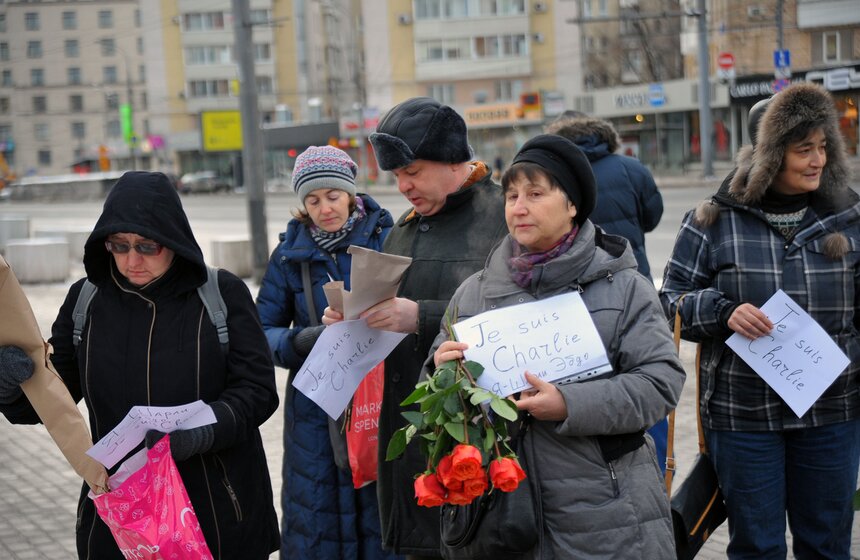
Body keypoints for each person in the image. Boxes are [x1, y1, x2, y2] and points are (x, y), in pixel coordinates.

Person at [0, 171, 280, 559]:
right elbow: (51, 400)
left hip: (216, 512)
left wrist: (195, 435)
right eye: (119, 245)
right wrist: (12, 387)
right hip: (121, 519)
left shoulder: (221, 294)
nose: (132, 261)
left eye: (148, 247)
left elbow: (258, 393)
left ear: (174, 241)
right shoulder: (86, 301)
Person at [431, 134, 684, 558]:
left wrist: (569, 404)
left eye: (535, 193)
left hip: (607, 517)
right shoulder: (473, 295)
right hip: (505, 515)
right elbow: (440, 397)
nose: (519, 207)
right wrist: (441, 370)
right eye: (512, 196)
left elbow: (660, 383)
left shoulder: (624, 288)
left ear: (572, 205)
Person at [660, 81, 860, 559]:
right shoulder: (712, 220)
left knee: (828, 545)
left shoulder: (849, 218)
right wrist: (723, 312)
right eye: (802, 149)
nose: (817, 161)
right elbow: (669, 304)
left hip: (832, 414)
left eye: (823, 148)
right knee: (757, 547)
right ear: (769, 155)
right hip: (743, 419)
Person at [324, 97, 508, 559]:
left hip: (479, 433)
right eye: (396, 176)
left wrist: (420, 318)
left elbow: (518, 318)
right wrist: (353, 320)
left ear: (453, 161)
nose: (403, 186)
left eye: (413, 172)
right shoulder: (403, 230)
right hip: (409, 433)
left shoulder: (505, 216)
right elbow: (386, 313)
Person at [255, 146, 399, 560]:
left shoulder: (387, 238)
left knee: (382, 516)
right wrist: (308, 338)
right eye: (313, 200)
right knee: (318, 517)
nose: (325, 208)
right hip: (317, 408)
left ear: (351, 194)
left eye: (333, 196)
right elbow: (261, 334)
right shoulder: (288, 256)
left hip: (380, 396)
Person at [545, 115, 669, 474]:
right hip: (633, 283)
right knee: (643, 377)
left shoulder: (557, 175)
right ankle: (653, 469)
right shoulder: (631, 168)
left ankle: (598, 471)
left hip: (574, 299)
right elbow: (653, 215)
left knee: (589, 386)